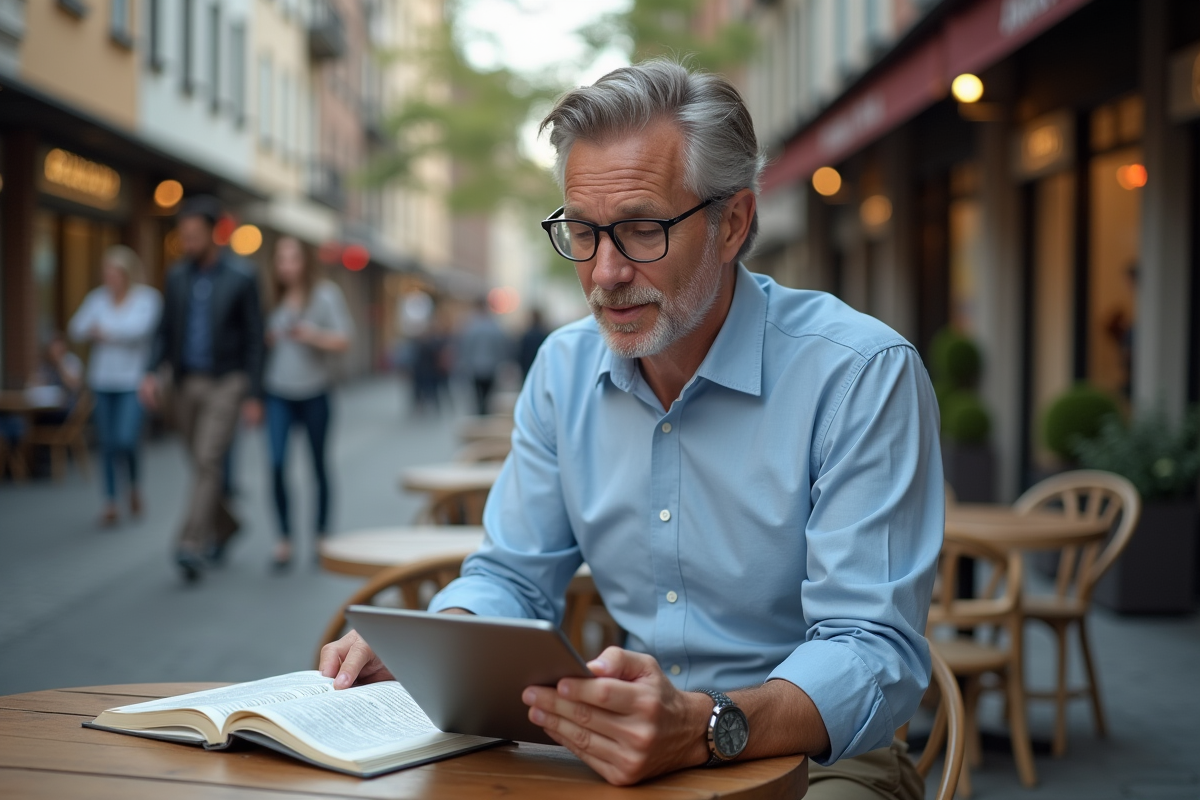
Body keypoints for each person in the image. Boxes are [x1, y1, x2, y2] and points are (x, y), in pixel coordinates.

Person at [320, 60, 941, 799]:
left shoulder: (859, 373)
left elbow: (871, 652)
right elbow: (513, 576)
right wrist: (437, 646)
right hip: (625, 750)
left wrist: (705, 726)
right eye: (582, 231)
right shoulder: (562, 368)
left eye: (642, 230)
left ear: (733, 222)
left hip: (818, 757)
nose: (605, 272)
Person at [140, 195, 265, 583]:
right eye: (183, 235)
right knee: (198, 462)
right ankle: (226, 525)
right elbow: (163, 331)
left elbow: (256, 339)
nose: (187, 241)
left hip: (227, 382)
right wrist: (149, 373)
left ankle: (189, 543)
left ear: (214, 233)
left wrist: (254, 394)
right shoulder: (177, 276)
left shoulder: (243, 277)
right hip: (184, 383)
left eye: (194, 234)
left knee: (208, 460)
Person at [263, 236, 353, 570]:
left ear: (305, 262)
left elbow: (344, 338)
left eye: (293, 258)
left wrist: (311, 334)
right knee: (275, 464)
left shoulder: (325, 295)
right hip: (277, 392)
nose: (287, 265)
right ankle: (284, 539)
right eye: (281, 259)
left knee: (318, 464)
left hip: (316, 390)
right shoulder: (271, 298)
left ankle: (321, 535)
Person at [68, 245, 162, 526]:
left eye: (115, 273)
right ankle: (110, 501)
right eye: (106, 273)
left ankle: (133, 486)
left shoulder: (147, 298)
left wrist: (105, 331)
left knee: (126, 439)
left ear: (127, 274)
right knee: (107, 443)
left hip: (133, 382)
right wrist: (106, 331)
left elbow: (140, 331)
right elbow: (76, 327)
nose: (110, 278)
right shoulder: (98, 299)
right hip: (103, 381)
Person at [457, 298, 510, 415]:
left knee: (477, 393)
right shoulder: (493, 325)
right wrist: (502, 362)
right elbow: (501, 345)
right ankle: (484, 410)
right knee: (488, 393)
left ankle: (480, 411)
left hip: (475, 366)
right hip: (491, 365)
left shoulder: (470, 326)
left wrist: (464, 363)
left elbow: (465, 347)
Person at [517, 308, 550, 380]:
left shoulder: (527, 335)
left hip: (528, 365)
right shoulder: (545, 334)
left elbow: (521, 352)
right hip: (541, 366)